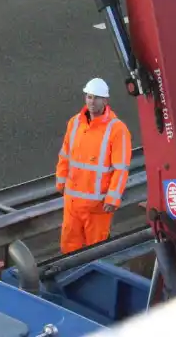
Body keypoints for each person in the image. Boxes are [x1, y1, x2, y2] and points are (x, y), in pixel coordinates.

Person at [55, 77, 132, 254]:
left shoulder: (117, 130)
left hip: (97, 207)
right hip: (73, 203)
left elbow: (121, 169)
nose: (91, 101)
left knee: (96, 253)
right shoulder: (75, 123)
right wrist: (61, 181)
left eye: (96, 98)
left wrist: (113, 198)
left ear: (105, 101)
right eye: (89, 97)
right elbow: (65, 155)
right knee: (68, 250)